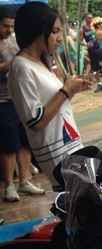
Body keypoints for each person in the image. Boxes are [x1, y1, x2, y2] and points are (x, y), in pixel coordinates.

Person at [8, 2, 90, 190]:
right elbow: (35, 121)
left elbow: (55, 105)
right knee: (83, 200)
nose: (59, 38)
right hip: (57, 152)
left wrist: (73, 89)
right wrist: (65, 91)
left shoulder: (39, 62)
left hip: (69, 142)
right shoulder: (21, 67)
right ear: (38, 32)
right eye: (54, 32)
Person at [0, 7, 45, 202]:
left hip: (19, 98)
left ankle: (25, 180)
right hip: (2, 101)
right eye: (5, 26)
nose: (8, 30)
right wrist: (15, 63)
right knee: (9, 145)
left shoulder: (13, 40)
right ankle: (9, 185)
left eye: (11, 26)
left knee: (25, 141)